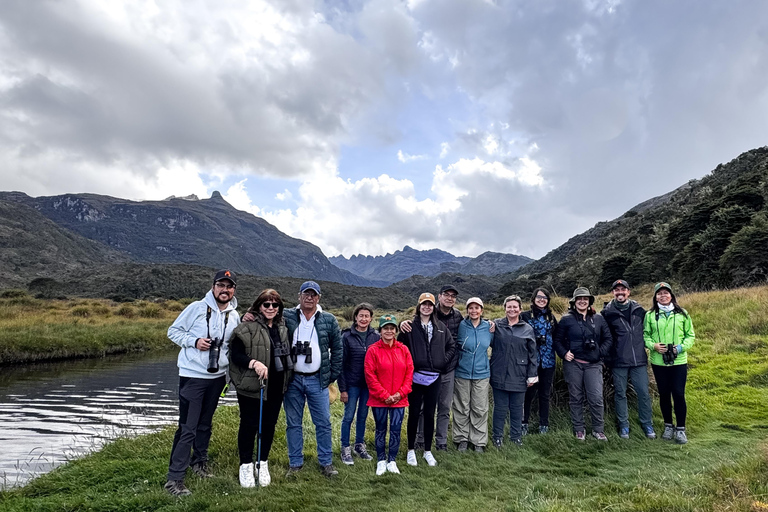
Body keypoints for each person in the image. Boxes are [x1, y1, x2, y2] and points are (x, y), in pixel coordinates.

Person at [164, 269, 240, 496]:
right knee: (188, 427)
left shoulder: (234, 315)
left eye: (229, 286)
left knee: (205, 424)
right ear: (213, 286)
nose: (225, 290)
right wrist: (194, 341)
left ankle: (199, 464)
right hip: (193, 376)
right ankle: (174, 479)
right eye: (221, 285)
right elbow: (173, 331)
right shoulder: (196, 308)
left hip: (217, 378)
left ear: (233, 290)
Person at [229, 289, 292, 488]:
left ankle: (262, 462)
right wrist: (254, 363)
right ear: (258, 306)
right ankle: (246, 465)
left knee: (269, 425)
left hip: (276, 386)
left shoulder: (283, 327)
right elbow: (235, 355)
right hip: (252, 385)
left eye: (275, 305)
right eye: (266, 304)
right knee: (249, 425)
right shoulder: (245, 327)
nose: (271, 308)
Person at [282, 281, 343, 477]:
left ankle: (326, 463)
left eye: (313, 295)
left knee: (323, 422)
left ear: (319, 297)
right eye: (306, 294)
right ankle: (295, 464)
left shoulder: (329, 319)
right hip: (292, 379)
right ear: (299, 296)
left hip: (318, 380)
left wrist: (330, 376)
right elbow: (264, 313)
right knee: (293, 423)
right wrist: (248, 313)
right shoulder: (287, 315)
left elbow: (338, 349)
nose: (310, 298)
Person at [400, 285, 464, 451]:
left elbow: (453, 344)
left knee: (444, 406)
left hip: (446, 369)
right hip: (422, 372)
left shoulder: (457, 316)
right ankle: (420, 440)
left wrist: (443, 360)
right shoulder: (427, 316)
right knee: (422, 408)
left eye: (453, 296)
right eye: (446, 295)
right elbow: (404, 339)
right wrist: (402, 323)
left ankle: (440, 442)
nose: (449, 298)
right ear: (439, 297)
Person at [554, 287, 613, 441]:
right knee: (576, 397)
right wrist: (564, 353)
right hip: (573, 364)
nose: (582, 301)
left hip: (594, 364)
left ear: (589, 301)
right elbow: (557, 340)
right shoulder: (566, 319)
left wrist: (600, 352)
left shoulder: (599, 319)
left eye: (585, 299)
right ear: (574, 302)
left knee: (596, 398)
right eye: (579, 299)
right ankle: (579, 429)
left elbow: (608, 339)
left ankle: (598, 429)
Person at [601, 279, 655, 440]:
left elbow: (648, 331)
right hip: (618, 361)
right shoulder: (607, 313)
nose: (620, 292)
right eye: (616, 290)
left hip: (639, 359)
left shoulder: (640, 310)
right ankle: (623, 425)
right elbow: (604, 337)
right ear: (613, 293)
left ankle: (647, 423)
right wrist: (606, 357)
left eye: (623, 290)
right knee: (620, 394)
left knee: (643, 393)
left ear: (628, 292)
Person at [643, 282, 695, 444]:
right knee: (664, 394)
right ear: (655, 296)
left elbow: (690, 336)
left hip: (678, 361)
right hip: (659, 361)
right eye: (659, 293)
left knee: (678, 394)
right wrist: (654, 346)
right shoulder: (650, 315)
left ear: (672, 295)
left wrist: (680, 348)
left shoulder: (683, 314)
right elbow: (646, 335)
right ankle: (668, 426)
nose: (663, 296)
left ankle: (680, 429)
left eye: (666, 293)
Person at [364, 314, 414, 475]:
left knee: (395, 429)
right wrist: (384, 395)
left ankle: (392, 460)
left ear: (396, 330)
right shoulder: (373, 350)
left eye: (392, 328)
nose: (389, 331)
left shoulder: (403, 350)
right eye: (386, 328)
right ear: (380, 330)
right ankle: (381, 460)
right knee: (380, 429)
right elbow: (370, 375)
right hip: (379, 399)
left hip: (399, 399)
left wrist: (400, 394)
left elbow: (409, 373)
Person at [489, 295, 538, 448]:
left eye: (515, 307)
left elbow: (533, 355)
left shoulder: (527, 329)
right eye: (509, 307)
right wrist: (489, 324)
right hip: (499, 373)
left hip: (519, 374)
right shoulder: (496, 325)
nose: (512, 309)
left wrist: (532, 374)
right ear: (504, 309)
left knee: (517, 409)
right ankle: (497, 437)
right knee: (500, 408)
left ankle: (516, 438)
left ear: (520, 309)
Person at [338, 303, 379, 465]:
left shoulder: (375, 336)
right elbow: (341, 364)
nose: (363, 319)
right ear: (355, 317)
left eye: (366, 316)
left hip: (368, 385)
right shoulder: (347, 336)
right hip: (351, 384)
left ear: (371, 318)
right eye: (361, 315)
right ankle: (345, 447)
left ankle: (359, 446)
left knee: (362, 416)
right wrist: (343, 389)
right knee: (348, 416)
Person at [453, 297, 493, 452]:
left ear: (482, 310)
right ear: (467, 310)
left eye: (477, 308)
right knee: (461, 406)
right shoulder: (461, 325)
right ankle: (461, 439)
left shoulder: (488, 327)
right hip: (462, 372)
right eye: (471, 308)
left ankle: (479, 441)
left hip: (482, 373)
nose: (474, 311)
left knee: (479, 408)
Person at [520, 288, 558, 435]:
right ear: (533, 298)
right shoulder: (525, 316)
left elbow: (557, 336)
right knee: (528, 394)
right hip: (531, 362)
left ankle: (544, 424)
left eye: (545, 298)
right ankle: (524, 423)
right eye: (539, 297)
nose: (542, 300)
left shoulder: (551, 317)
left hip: (548, 362)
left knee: (544, 394)